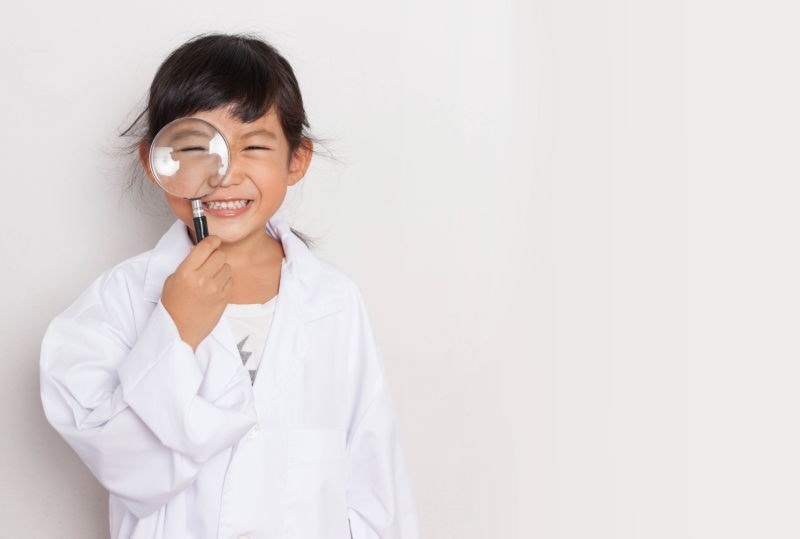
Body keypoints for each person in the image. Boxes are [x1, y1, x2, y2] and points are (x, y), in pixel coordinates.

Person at [39, 33, 419, 539]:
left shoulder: (333, 301)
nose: (225, 174)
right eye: (196, 147)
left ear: (297, 159)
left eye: (255, 146)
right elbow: (125, 465)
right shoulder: (121, 301)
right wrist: (176, 333)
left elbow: (373, 476)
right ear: (154, 162)